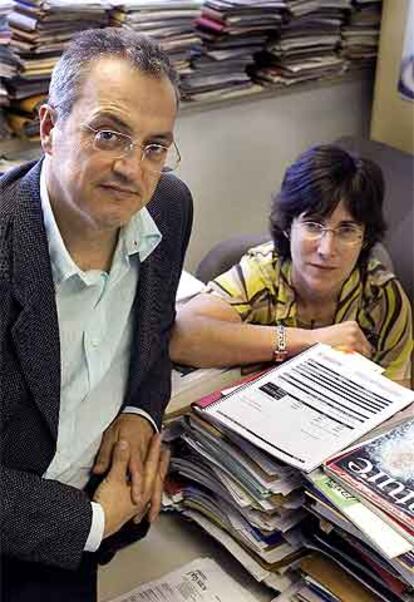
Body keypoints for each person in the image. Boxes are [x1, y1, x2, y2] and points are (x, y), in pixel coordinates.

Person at [1, 28, 193, 601]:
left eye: (155, 146)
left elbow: (155, 333)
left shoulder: (169, 206)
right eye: (109, 135)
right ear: (49, 129)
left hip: (103, 518)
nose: (133, 171)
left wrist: (140, 410)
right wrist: (91, 523)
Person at [170, 145, 412, 386]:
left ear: (366, 238)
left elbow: (401, 406)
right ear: (288, 226)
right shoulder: (263, 272)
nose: (326, 249)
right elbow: (182, 336)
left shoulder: (383, 298)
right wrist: (311, 340)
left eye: (346, 230)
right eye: (313, 225)